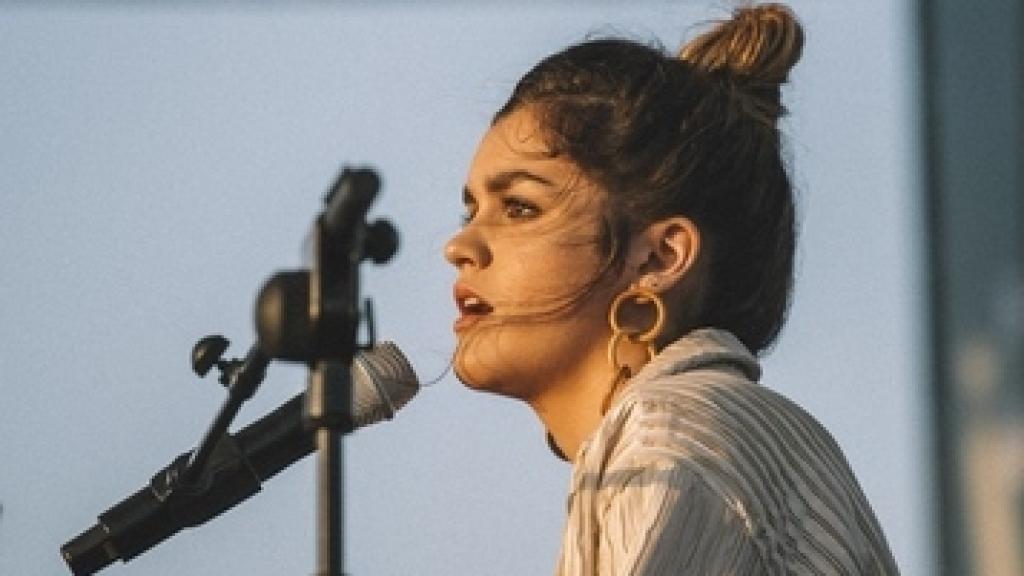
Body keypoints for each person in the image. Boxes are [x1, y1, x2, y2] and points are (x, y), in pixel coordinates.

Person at [444, 3, 899, 574]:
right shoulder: (681, 429)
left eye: (519, 207)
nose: (460, 245)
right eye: (471, 210)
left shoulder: (674, 430)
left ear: (660, 257)